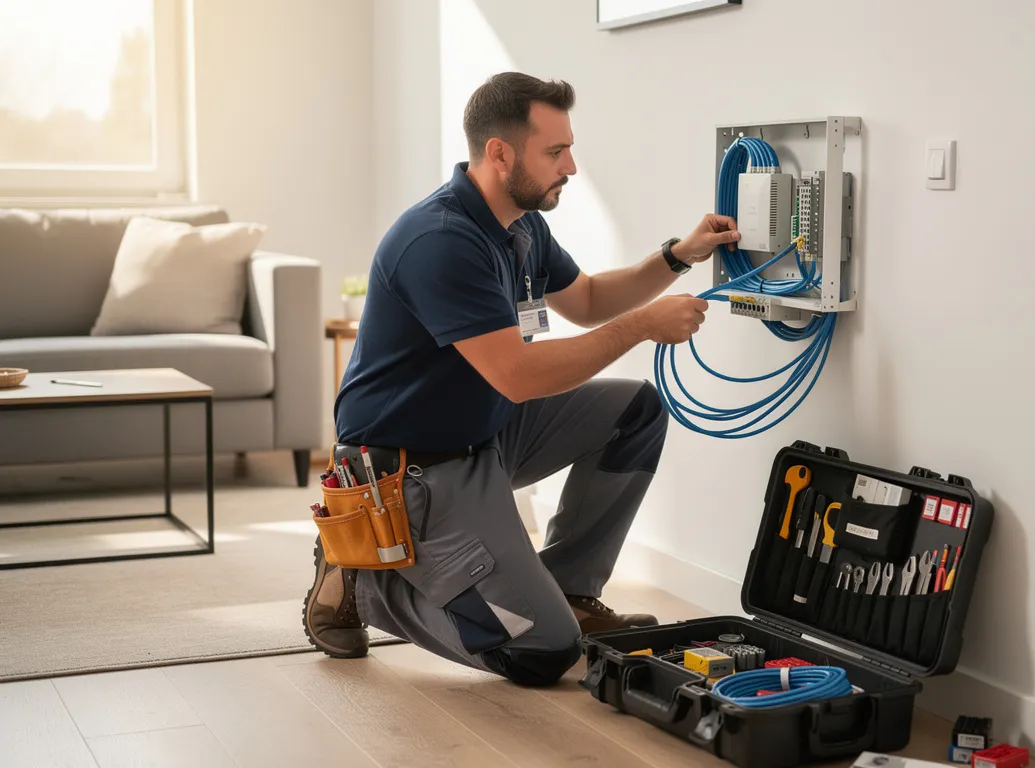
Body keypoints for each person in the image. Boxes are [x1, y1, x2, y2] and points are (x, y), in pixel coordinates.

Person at [302, 72, 740, 686]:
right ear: (500, 153)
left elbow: (585, 300)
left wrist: (677, 256)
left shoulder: (520, 224)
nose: (572, 168)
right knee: (539, 652)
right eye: (555, 152)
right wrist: (642, 326)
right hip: (410, 469)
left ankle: (569, 591)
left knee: (636, 410)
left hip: (487, 431)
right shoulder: (440, 240)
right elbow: (518, 376)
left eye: (569, 148)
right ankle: (366, 578)